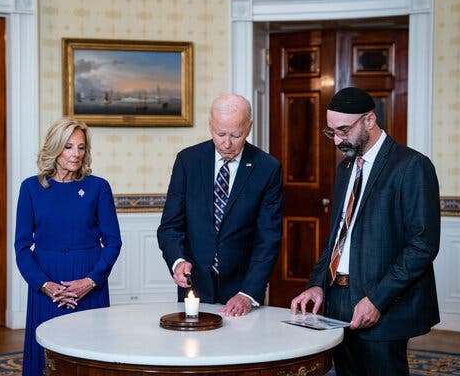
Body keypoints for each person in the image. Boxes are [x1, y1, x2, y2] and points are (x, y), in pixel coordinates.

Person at [290, 87, 440, 375]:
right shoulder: (346, 168)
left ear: (369, 120)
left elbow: (422, 245)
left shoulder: (412, 166)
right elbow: (337, 238)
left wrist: (377, 300)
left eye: (343, 130)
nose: (337, 140)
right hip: (338, 301)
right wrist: (317, 284)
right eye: (331, 132)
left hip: (382, 303)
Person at [157, 93, 283, 317]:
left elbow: (268, 239)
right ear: (210, 126)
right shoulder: (188, 161)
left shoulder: (267, 168)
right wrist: (177, 261)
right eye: (220, 133)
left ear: (249, 127)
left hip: (242, 289)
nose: (226, 143)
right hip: (194, 286)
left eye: (236, 135)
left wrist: (248, 293)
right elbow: (170, 226)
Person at [14, 117, 122, 376]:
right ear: (54, 148)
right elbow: (21, 246)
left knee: (88, 353)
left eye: (81, 147)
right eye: (68, 147)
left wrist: (91, 281)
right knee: (46, 358)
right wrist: (45, 285)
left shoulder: (98, 187)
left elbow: (113, 241)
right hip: (47, 283)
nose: (76, 154)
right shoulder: (31, 188)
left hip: (89, 281)